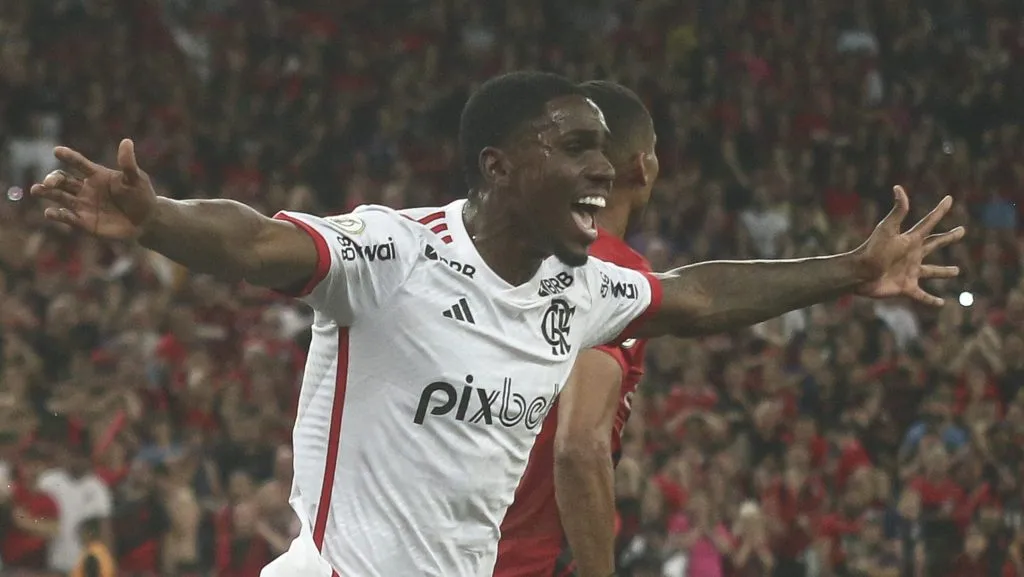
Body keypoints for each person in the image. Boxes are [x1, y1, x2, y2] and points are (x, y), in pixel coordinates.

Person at [30, 71, 962, 576]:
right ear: (500, 164)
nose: (606, 168)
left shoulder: (581, 287)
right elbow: (260, 245)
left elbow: (701, 296)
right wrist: (156, 219)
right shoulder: (394, 253)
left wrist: (851, 270)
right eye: (576, 146)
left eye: (607, 146)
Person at [494, 80, 659, 577]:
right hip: (523, 562)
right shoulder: (612, 273)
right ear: (642, 166)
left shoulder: (526, 255)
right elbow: (578, 444)